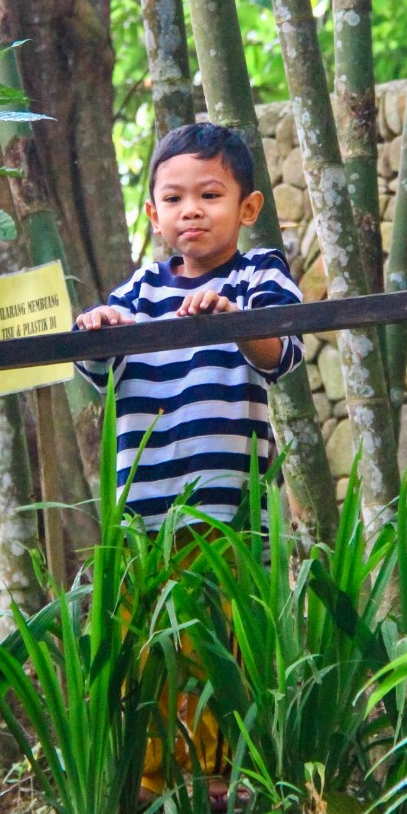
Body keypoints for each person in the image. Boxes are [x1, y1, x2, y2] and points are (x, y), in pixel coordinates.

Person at [73, 122, 306, 531]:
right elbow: (97, 369)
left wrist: (232, 320)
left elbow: (281, 355)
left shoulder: (259, 274)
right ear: (154, 215)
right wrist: (98, 326)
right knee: (145, 597)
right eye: (173, 198)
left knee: (228, 597)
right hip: (142, 513)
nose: (191, 209)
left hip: (228, 511)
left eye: (210, 195)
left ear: (248, 208)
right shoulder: (138, 290)